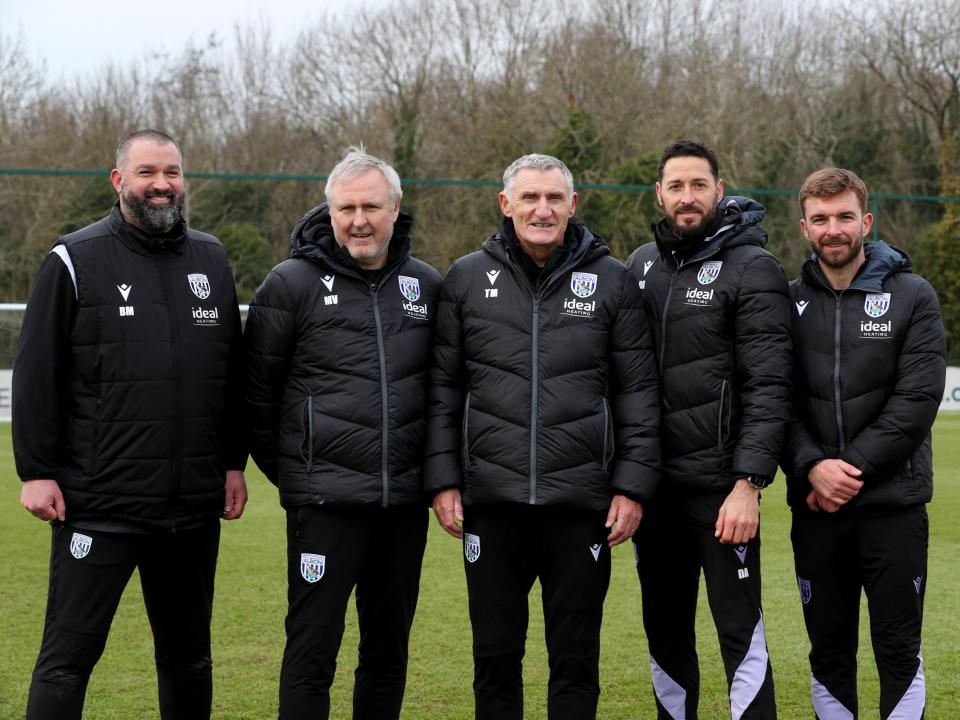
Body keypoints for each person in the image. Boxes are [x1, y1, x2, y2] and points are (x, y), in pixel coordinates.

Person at [13, 129, 248, 720]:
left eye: (172, 172)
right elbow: (36, 371)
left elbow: (230, 373)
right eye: (147, 173)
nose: (162, 185)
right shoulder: (74, 258)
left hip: (190, 510)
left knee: (189, 659)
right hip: (100, 504)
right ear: (119, 181)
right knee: (67, 660)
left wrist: (231, 463)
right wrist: (36, 470)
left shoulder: (211, 258)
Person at [426, 153, 660, 720]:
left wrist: (631, 487)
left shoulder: (614, 280)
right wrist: (443, 480)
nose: (542, 209)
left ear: (572, 205)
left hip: (581, 506)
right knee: (494, 660)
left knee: (575, 663)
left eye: (554, 197)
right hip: (492, 504)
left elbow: (638, 393)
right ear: (505, 204)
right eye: (529, 197)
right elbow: (443, 390)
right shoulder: (464, 278)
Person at [244, 148, 441, 720]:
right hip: (324, 506)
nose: (359, 220)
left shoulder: (427, 285)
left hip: (403, 506)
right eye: (346, 208)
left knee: (387, 653)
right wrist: (303, 473)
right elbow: (256, 397)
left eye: (371, 207)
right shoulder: (289, 284)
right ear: (329, 211)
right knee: (312, 653)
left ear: (395, 208)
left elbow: (443, 391)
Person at [625, 139, 792, 719]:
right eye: (676, 186)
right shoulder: (640, 265)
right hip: (655, 490)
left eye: (699, 185)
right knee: (665, 632)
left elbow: (770, 385)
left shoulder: (753, 267)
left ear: (719, 191)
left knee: (739, 636)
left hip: (722, 493)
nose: (687, 197)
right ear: (659, 194)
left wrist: (749, 483)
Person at [781, 168, 945, 719]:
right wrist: (811, 467)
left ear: (866, 222)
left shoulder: (913, 296)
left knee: (898, 651)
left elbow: (918, 399)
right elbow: (776, 400)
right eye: (821, 218)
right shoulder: (785, 302)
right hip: (816, 511)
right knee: (828, 652)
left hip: (893, 508)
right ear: (805, 227)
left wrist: (843, 470)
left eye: (845, 217)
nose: (833, 229)